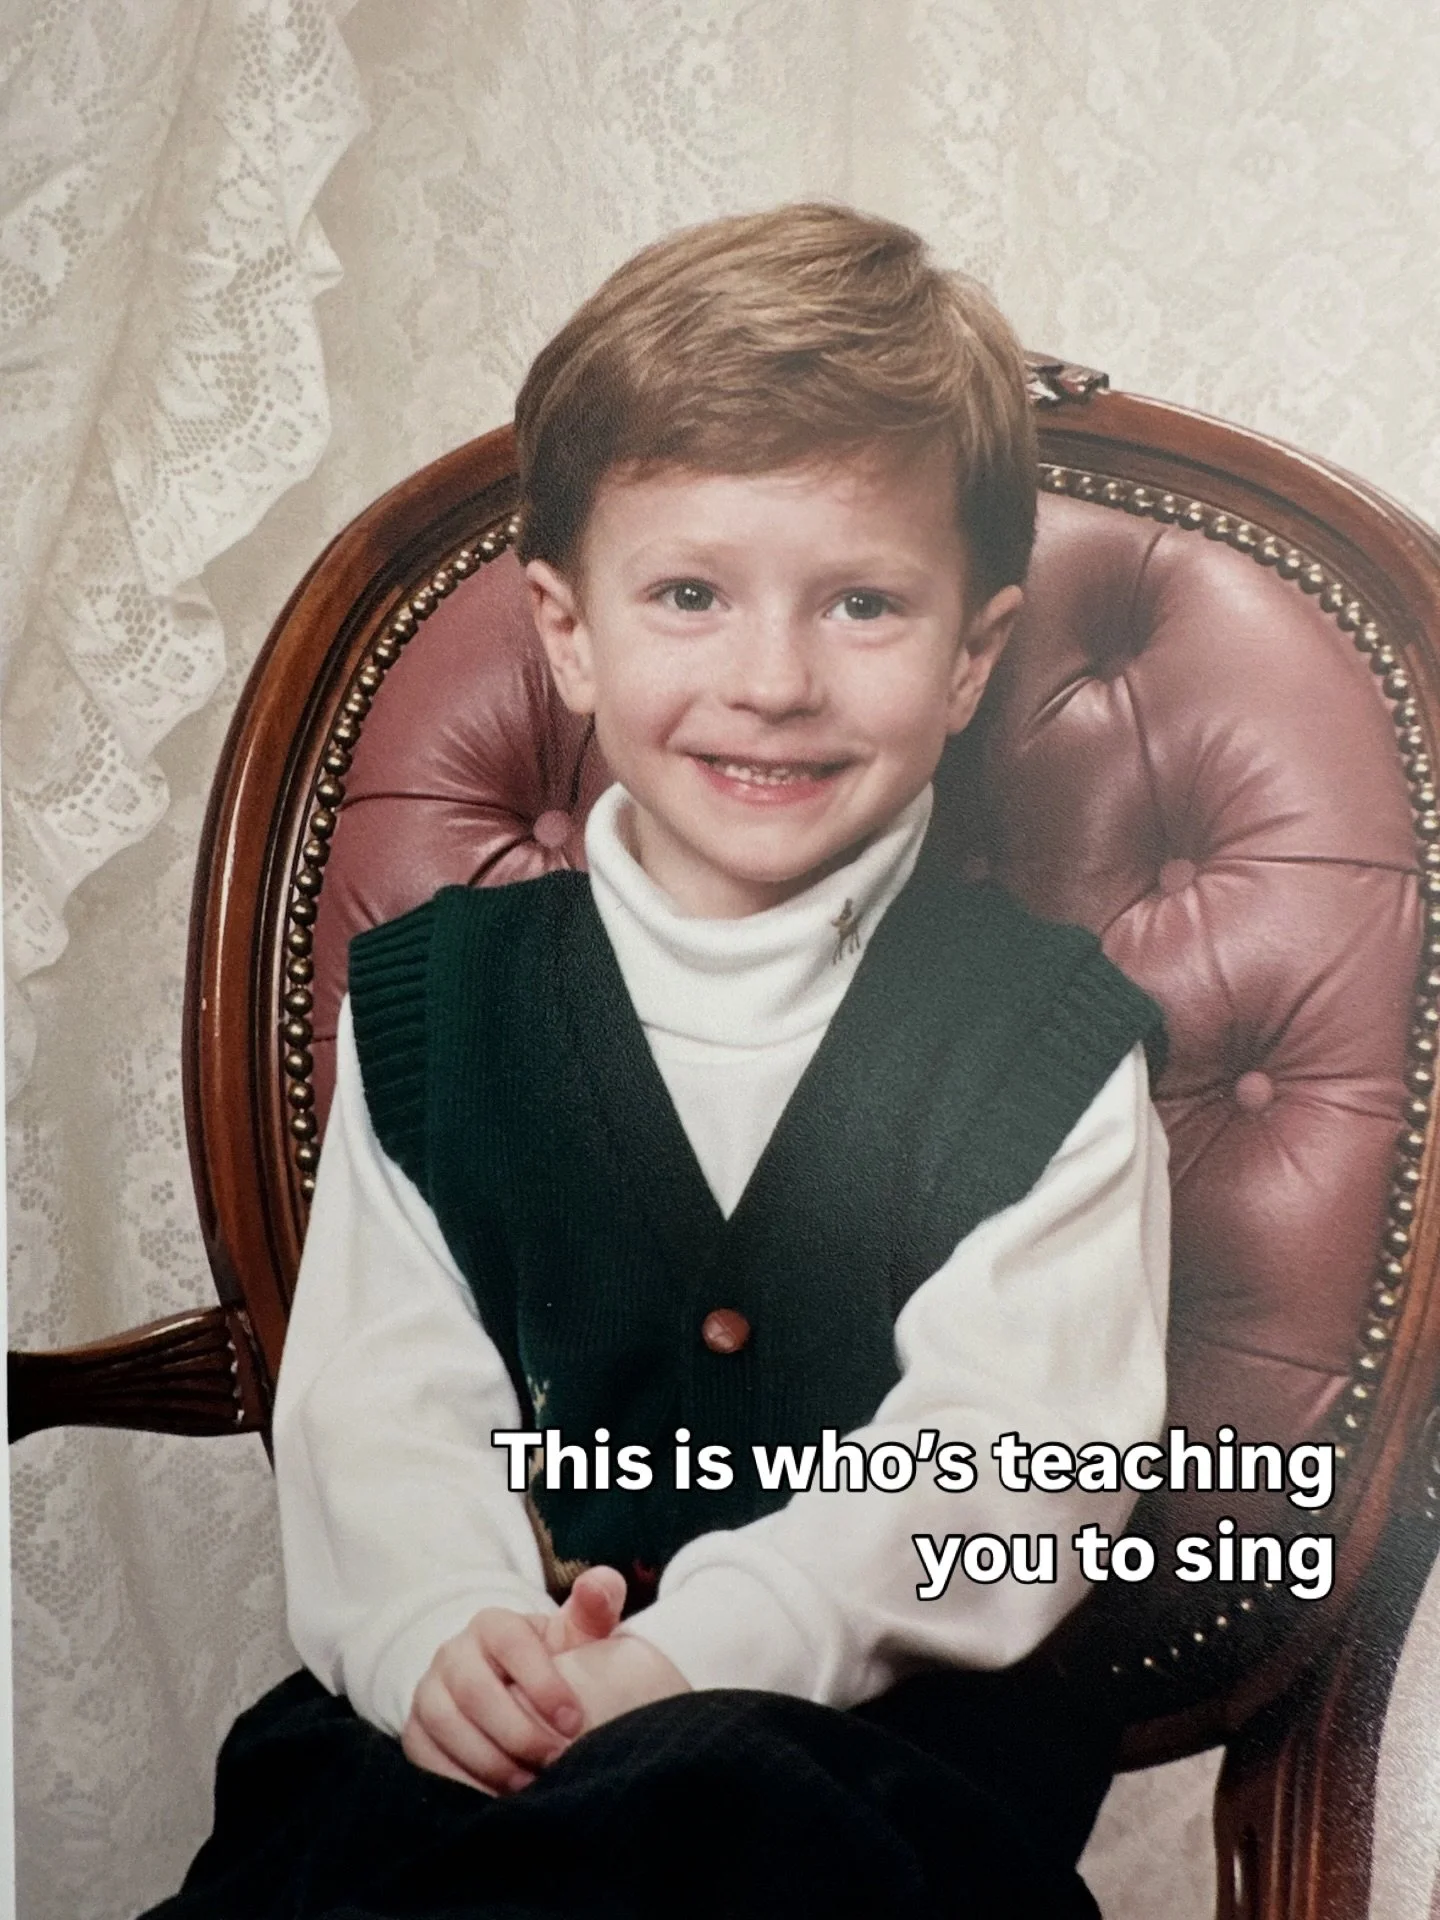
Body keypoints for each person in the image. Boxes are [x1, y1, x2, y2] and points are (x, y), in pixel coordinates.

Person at [144, 204, 1169, 1920]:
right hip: (461, 1743)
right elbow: (380, 1411)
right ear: (566, 628)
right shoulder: (436, 1009)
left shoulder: (1041, 1042)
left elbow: (1010, 1457)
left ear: (974, 657)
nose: (770, 681)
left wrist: (699, 1655)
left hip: (870, 1783)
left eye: (860, 604)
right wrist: (445, 1645)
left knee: (712, 1823)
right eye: (688, 594)